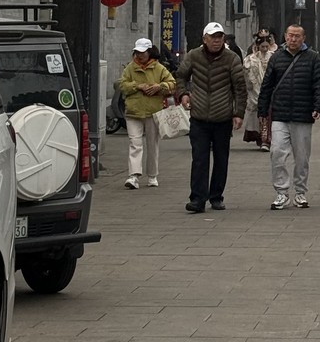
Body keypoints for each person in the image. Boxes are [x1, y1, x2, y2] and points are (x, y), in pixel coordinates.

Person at [176, 21, 247, 213]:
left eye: (219, 37)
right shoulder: (193, 56)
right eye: (213, 37)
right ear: (204, 39)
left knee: (221, 158)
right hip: (199, 116)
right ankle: (198, 199)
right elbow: (181, 76)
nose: (216, 41)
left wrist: (238, 113)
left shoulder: (231, 58)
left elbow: (240, 88)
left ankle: (216, 196)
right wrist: (183, 94)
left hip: (223, 116)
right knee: (199, 159)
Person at [257, 23, 320, 209]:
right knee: (277, 153)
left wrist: (319, 106)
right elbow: (267, 85)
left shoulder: (312, 58)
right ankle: (281, 192)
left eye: (297, 36)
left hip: (303, 115)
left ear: (303, 38)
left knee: (302, 157)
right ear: (285, 37)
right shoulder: (277, 58)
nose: (293, 39)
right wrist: (262, 111)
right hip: (280, 114)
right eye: (290, 35)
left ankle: (300, 192)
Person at [117, 37, 177, 189]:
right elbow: (122, 85)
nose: (139, 55)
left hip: (153, 112)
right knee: (135, 143)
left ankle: (152, 176)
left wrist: (159, 86)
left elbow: (172, 84)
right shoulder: (130, 68)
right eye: (137, 52)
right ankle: (133, 176)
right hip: (133, 111)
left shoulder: (159, 68)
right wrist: (138, 86)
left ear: (150, 52)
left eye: (143, 52)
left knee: (152, 145)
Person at [242, 29, 276, 149]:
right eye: (262, 46)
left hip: (269, 89)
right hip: (255, 89)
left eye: (267, 46)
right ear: (258, 46)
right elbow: (246, 75)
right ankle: (260, 138)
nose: (265, 49)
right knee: (257, 114)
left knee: (268, 113)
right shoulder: (250, 59)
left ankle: (266, 139)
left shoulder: (273, 57)